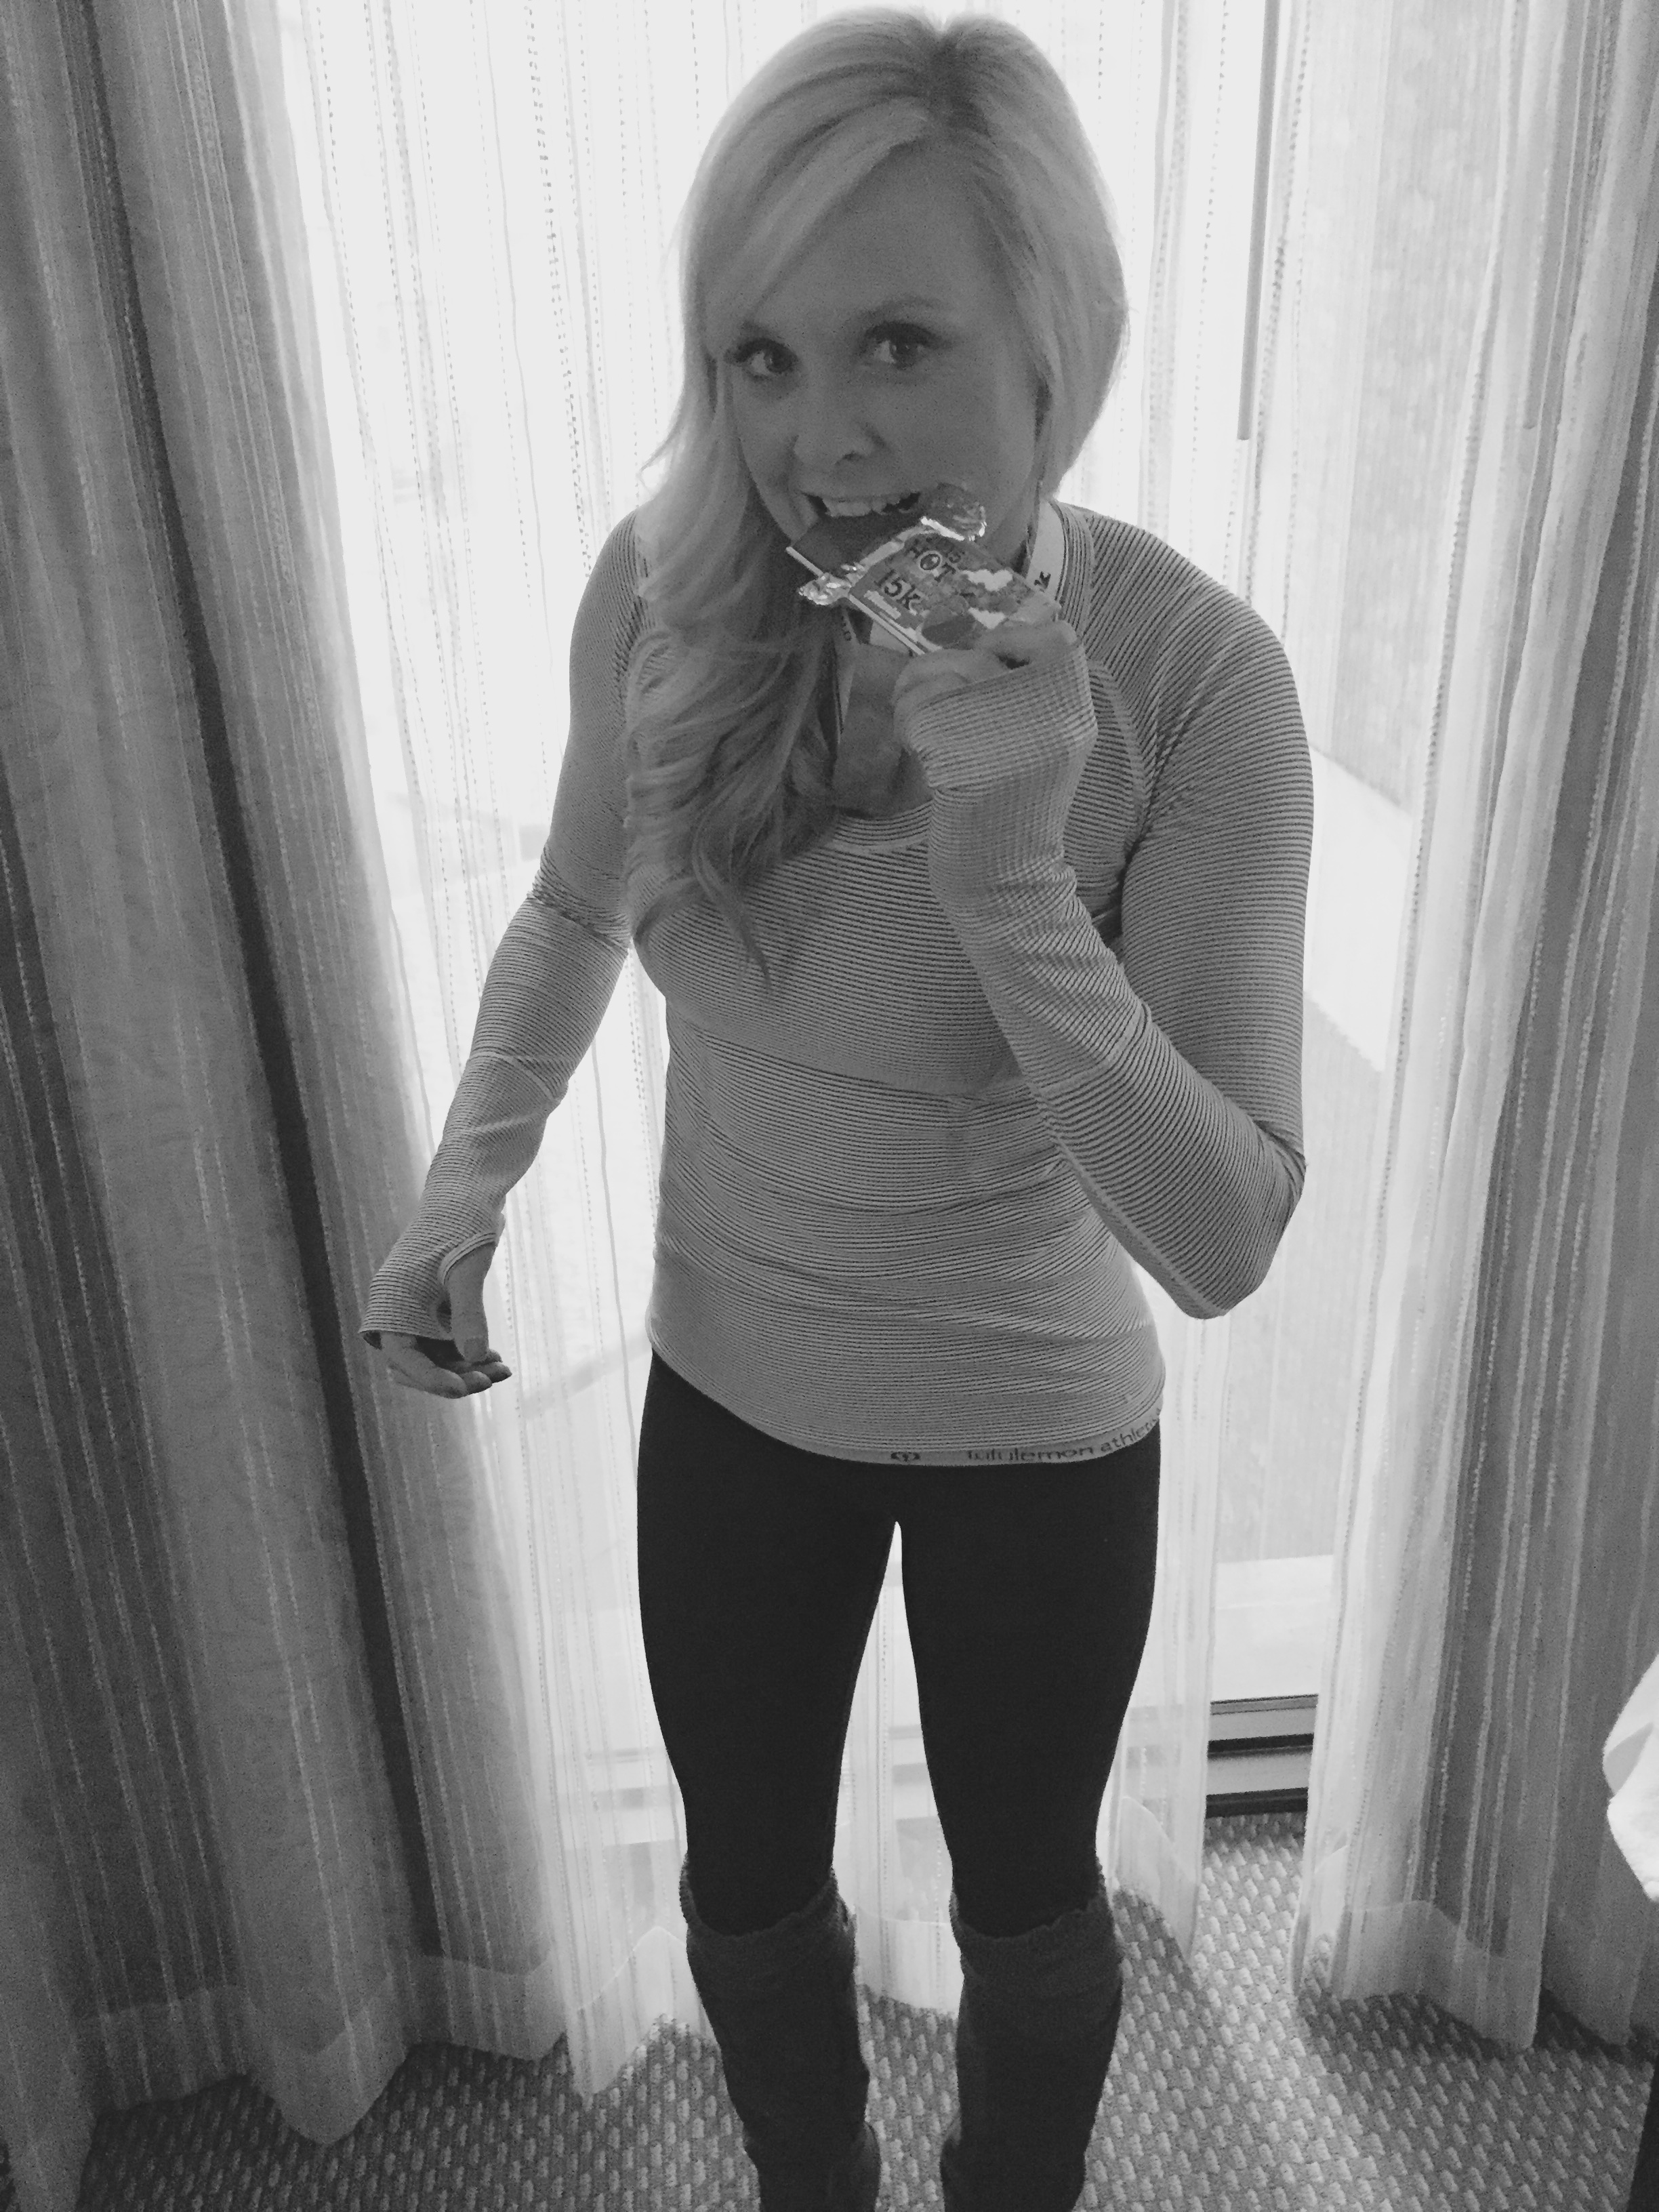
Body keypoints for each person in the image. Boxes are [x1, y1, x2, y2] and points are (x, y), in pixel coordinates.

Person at [361, 8, 1312, 2209]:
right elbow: (574, 906)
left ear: (1054, 343)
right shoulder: (668, 590)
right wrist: (459, 1192)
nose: (819, 439)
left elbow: (1225, 1240)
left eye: (898, 342)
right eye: (760, 358)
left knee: (1029, 1903)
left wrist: (1010, 883)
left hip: (1038, 1433)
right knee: (743, 1885)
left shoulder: (1196, 684)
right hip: (735, 1390)